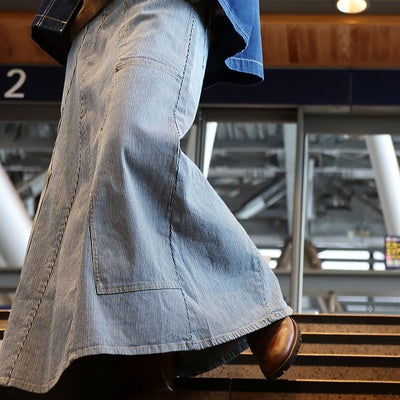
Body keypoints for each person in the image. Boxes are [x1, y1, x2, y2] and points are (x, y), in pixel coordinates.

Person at [0, 0, 300, 398]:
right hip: (85, 16)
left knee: (131, 137)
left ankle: (250, 301)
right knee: (77, 180)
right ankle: (136, 352)